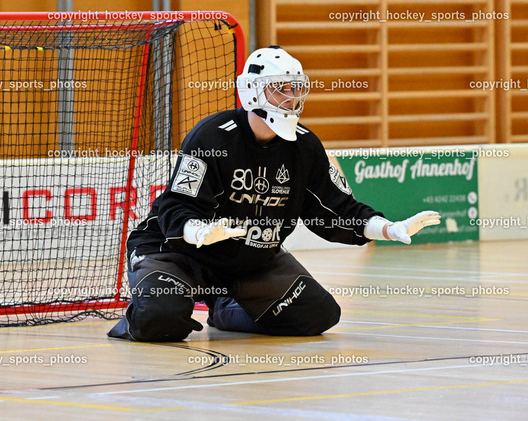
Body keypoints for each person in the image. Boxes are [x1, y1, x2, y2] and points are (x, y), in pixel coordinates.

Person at [108, 46, 440, 342]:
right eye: (280, 88)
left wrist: (388, 228)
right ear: (252, 91)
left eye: (295, 88)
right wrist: (200, 232)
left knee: (316, 314)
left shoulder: (304, 146)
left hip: (249, 260)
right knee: (160, 320)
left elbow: (336, 208)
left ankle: (224, 307)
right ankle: (149, 313)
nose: (291, 97)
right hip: (178, 252)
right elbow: (178, 205)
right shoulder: (213, 136)